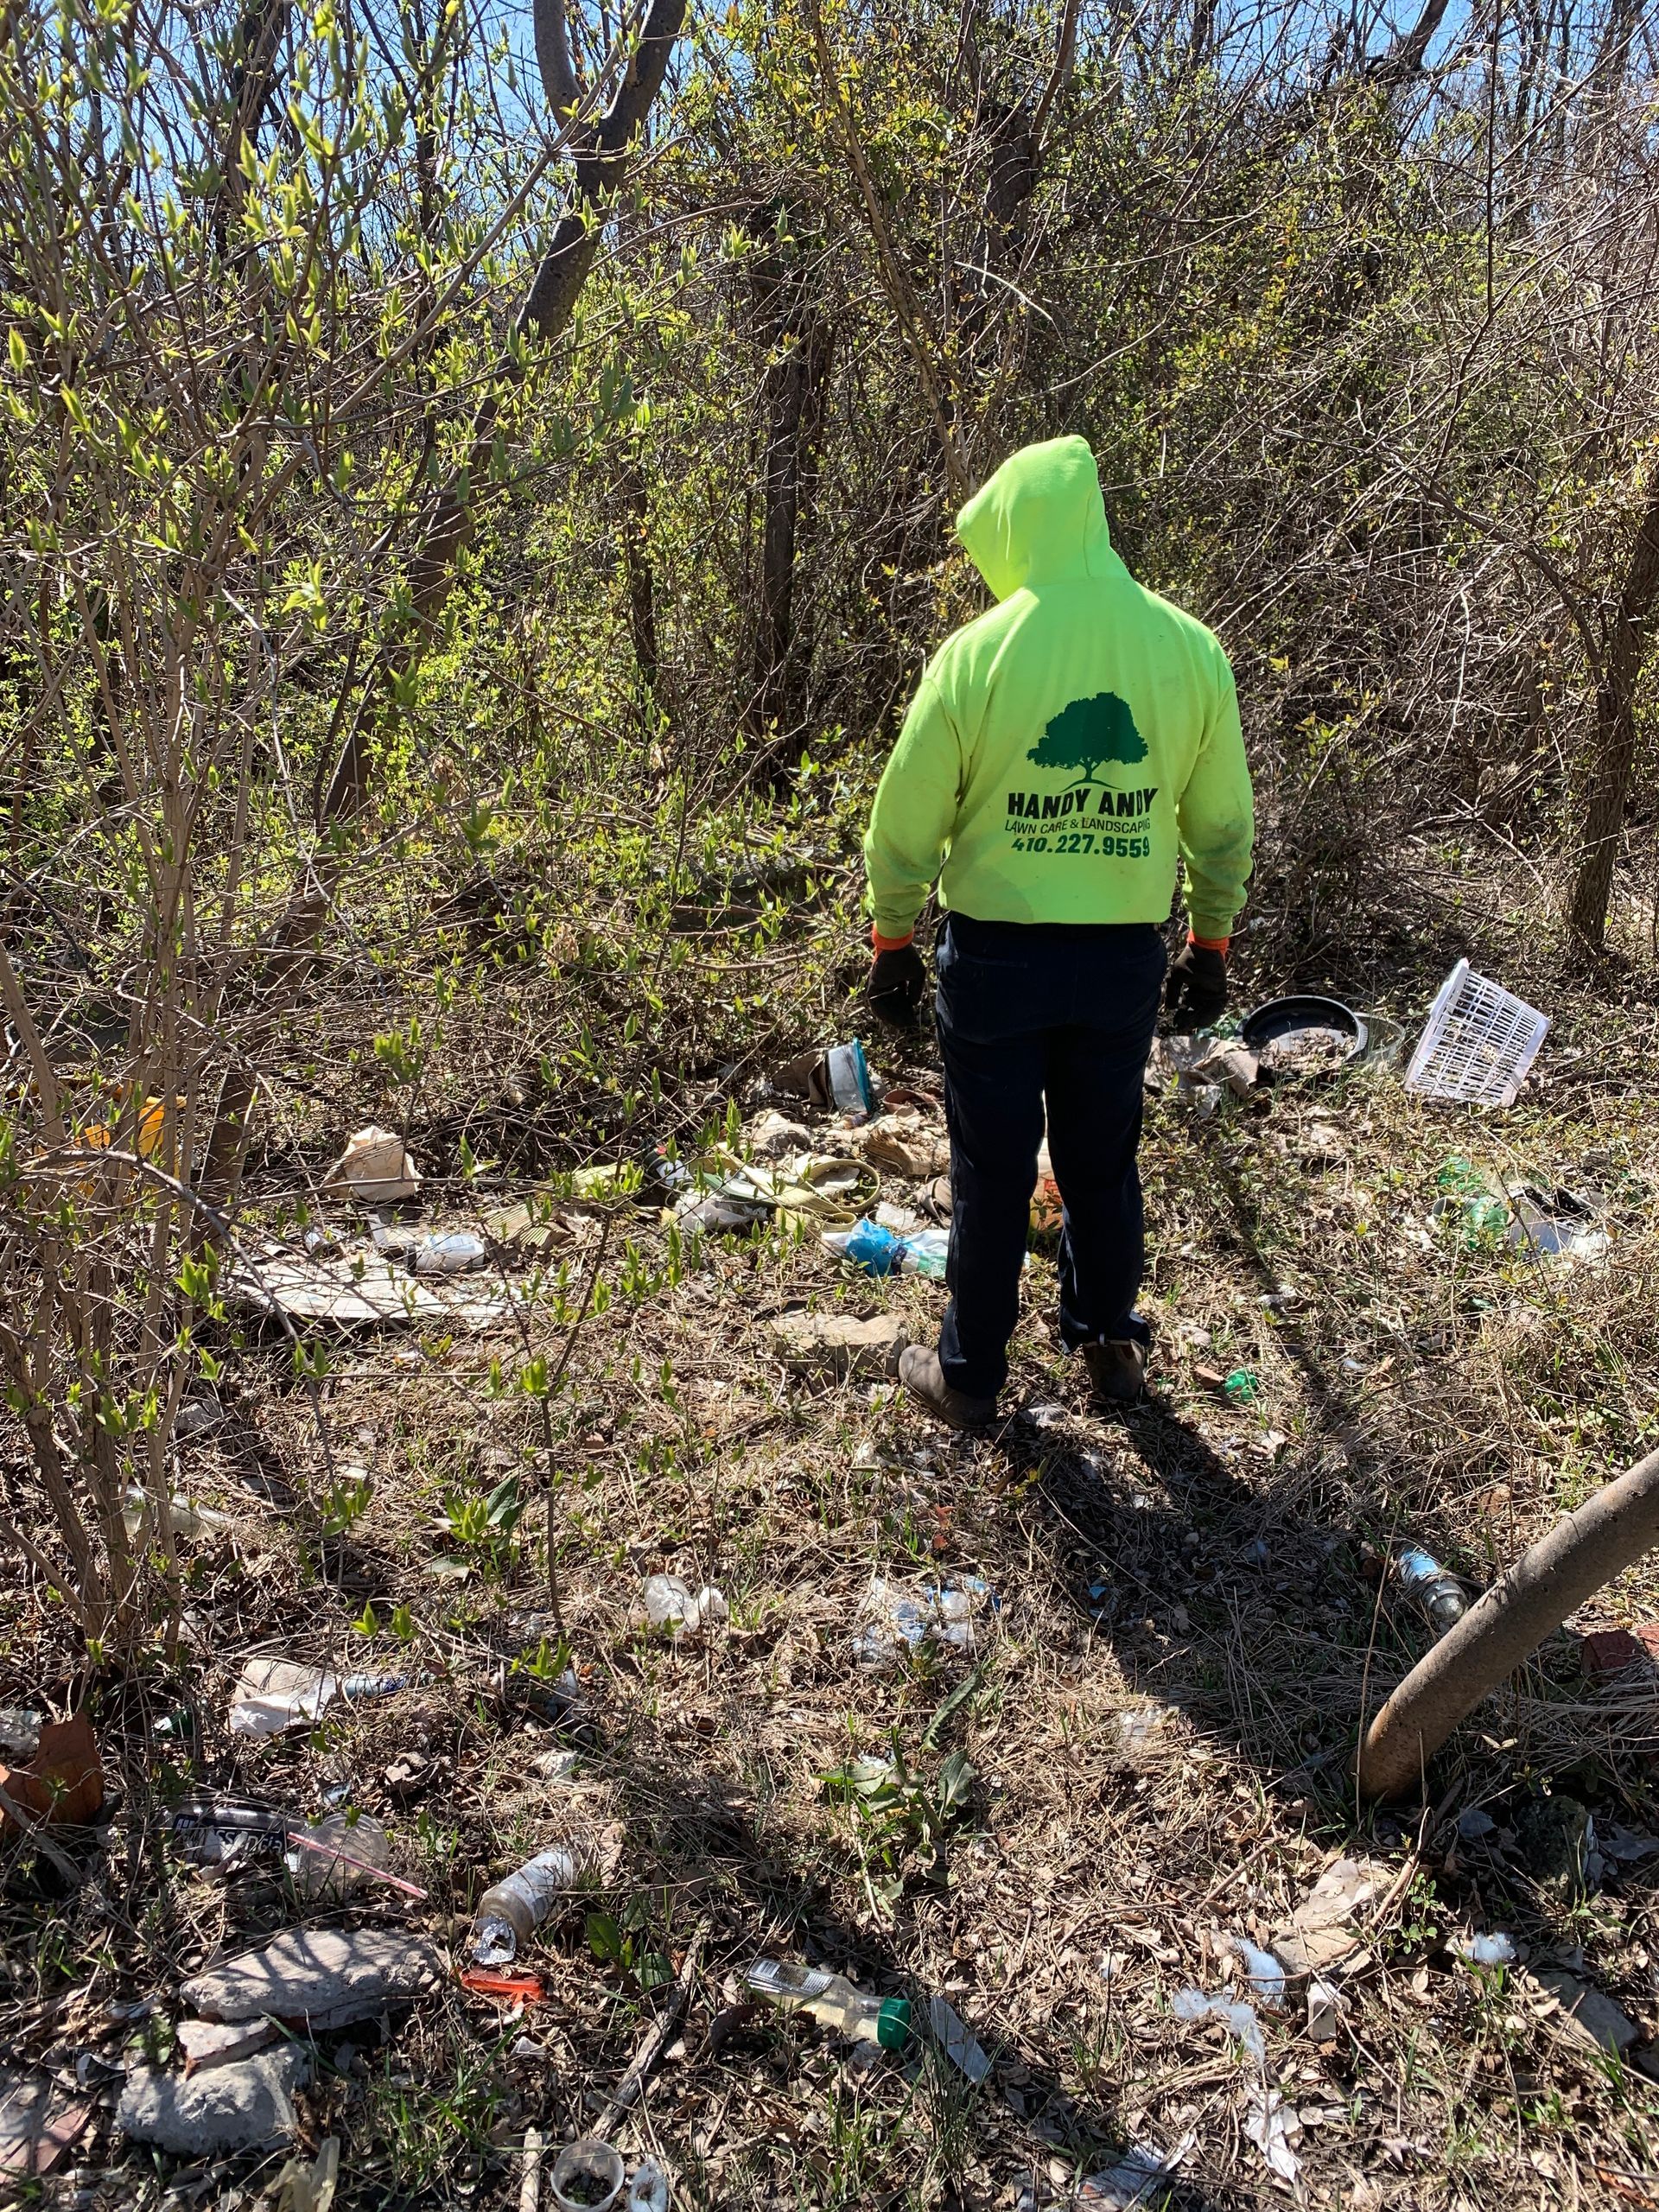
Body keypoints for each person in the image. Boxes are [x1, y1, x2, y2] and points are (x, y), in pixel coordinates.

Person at [861, 434, 1254, 1427]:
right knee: (1099, 1156)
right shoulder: (1188, 648)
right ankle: (1110, 1339)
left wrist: (892, 940)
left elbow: (906, 821)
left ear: (1021, 528)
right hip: (1123, 956)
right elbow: (1221, 825)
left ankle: (969, 1378)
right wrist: (1210, 942)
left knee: (993, 1169)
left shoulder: (977, 654)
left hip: (997, 958)